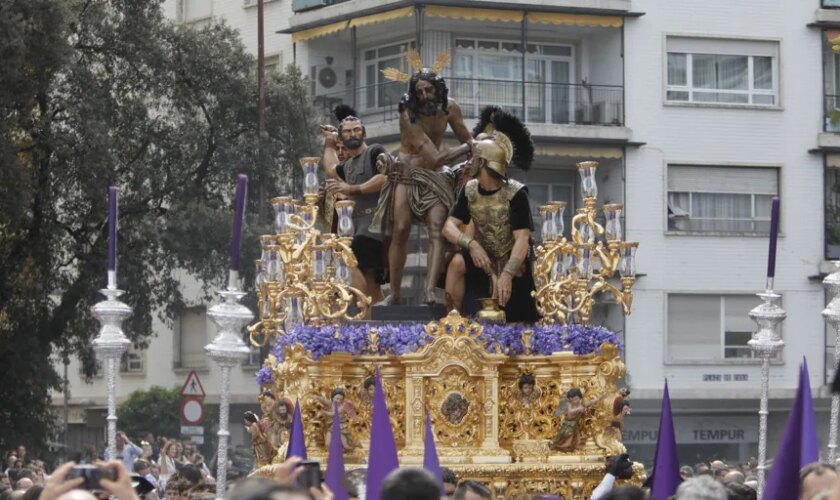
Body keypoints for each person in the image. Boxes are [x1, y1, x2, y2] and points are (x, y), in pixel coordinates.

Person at [372, 51, 474, 305]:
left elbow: (466, 136)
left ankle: (429, 292)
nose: (425, 96)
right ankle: (395, 294)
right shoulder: (409, 114)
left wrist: (479, 144)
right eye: (420, 92)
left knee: (437, 231)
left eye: (429, 90)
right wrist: (470, 149)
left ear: (438, 89)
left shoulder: (450, 108)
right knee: (401, 229)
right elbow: (434, 156)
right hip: (407, 173)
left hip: (435, 177)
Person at [442, 107, 538, 323]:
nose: (470, 162)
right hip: (482, 261)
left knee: (518, 323)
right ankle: (451, 317)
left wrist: (507, 274)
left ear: (482, 162)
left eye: (474, 158)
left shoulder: (516, 193)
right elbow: (448, 226)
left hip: (513, 265)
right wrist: (471, 245)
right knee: (458, 267)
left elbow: (522, 239)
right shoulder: (470, 190)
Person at [322, 105, 388, 303]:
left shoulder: (375, 151)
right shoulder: (348, 166)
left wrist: (352, 189)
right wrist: (329, 144)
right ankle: (376, 318)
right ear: (342, 137)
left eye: (356, 129)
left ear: (363, 132)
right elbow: (331, 168)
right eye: (348, 131)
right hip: (356, 228)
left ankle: (359, 313)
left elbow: (384, 178)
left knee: (347, 260)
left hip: (373, 227)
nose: (353, 134)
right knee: (370, 280)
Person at [550, 388, 606, 452]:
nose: (577, 401)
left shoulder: (581, 404)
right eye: (575, 399)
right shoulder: (568, 405)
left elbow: (590, 402)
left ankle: (569, 449)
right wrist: (579, 409)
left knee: (576, 440)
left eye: (579, 399)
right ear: (570, 399)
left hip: (575, 426)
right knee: (566, 438)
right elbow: (570, 412)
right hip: (567, 425)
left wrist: (600, 398)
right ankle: (560, 447)